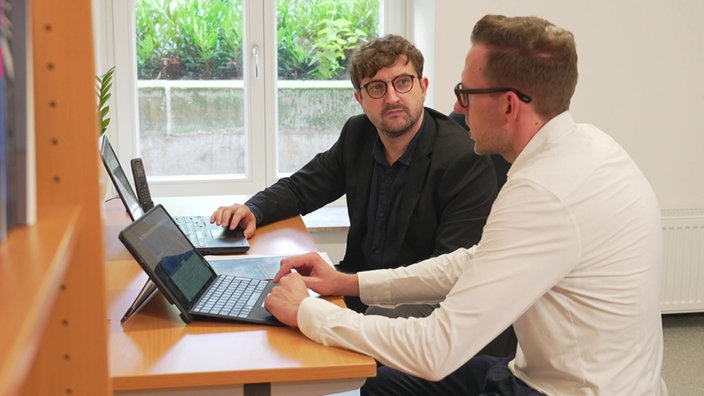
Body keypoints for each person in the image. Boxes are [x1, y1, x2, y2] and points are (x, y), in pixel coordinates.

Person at [264, 14, 668, 395]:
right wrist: (350, 283)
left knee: (381, 375)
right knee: (384, 385)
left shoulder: (542, 192)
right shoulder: (591, 147)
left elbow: (435, 350)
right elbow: (473, 261)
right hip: (585, 377)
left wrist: (308, 313)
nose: (458, 107)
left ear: (509, 105)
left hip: (556, 389)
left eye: (466, 93)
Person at [210, 35, 499, 318]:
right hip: (356, 286)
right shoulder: (358, 134)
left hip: (419, 305)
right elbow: (303, 187)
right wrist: (253, 209)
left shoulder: (463, 160)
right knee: (269, 302)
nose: (392, 97)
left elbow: (447, 273)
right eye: (376, 88)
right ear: (360, 99)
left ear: (423, 87)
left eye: (402, 82)